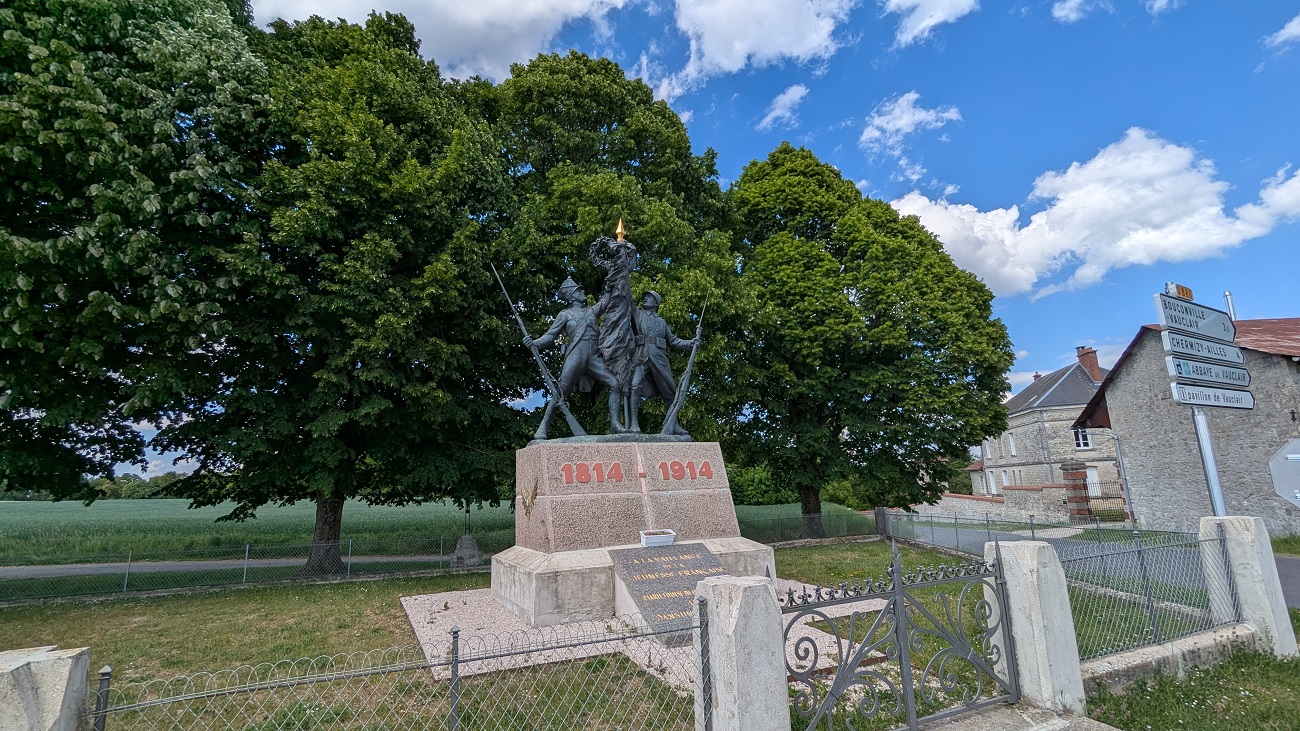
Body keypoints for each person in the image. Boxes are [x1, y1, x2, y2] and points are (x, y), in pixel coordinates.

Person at [524, 277, 625, 439]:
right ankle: (543, 427)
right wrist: (534, 343)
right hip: (575, 356)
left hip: (594, 357)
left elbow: (606, 302)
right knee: (560, 392)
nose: (582, 291)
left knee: (614, 383)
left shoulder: (591, 311)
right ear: (571, 296)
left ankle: (615, 423)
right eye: (578, 290)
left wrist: (608, 287)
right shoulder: (564, 315)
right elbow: (550, 336)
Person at [628, 290, 697, 435]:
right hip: (641, 357)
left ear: (656, 302)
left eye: (649, 297)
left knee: (669, 392)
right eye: (645, 297)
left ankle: (674, 425)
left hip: (659, 359)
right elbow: (629, 299)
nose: (645, 298)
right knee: (634, 386)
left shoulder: (661, 322)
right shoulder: (637, 314)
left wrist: (690, 343)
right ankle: (634, 423)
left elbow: (673, 341)